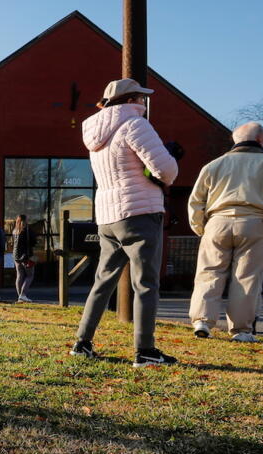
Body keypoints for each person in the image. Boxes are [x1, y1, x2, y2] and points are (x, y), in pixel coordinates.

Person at [70, 78, 179, 367]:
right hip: (140, 212)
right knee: (145, 283)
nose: (143, 103)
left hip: (108, 217)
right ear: (131, 100)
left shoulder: (94, 133)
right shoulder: (135, 124)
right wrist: (170, 160)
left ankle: (82, 343)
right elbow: (166, 170)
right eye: (141, 98)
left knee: (102, 281)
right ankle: (145, 351)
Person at [187, 122, 263, 342]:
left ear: (235, 140)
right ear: (261, 139)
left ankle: (202, 321)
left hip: (217, 222)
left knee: (209, 272)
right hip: (256, 222)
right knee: (246, 278)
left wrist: (200, 227)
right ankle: (241, 330)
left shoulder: (213, 165)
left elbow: (196, 201)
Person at [12, 214, 35, 302]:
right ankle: (23, 295)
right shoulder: (27, 230)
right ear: (25, 220)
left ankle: (20, 297)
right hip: (26, 256)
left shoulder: (15, 230)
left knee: (19, 275)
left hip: (16, 256)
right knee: (30, 275)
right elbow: (33, 241)